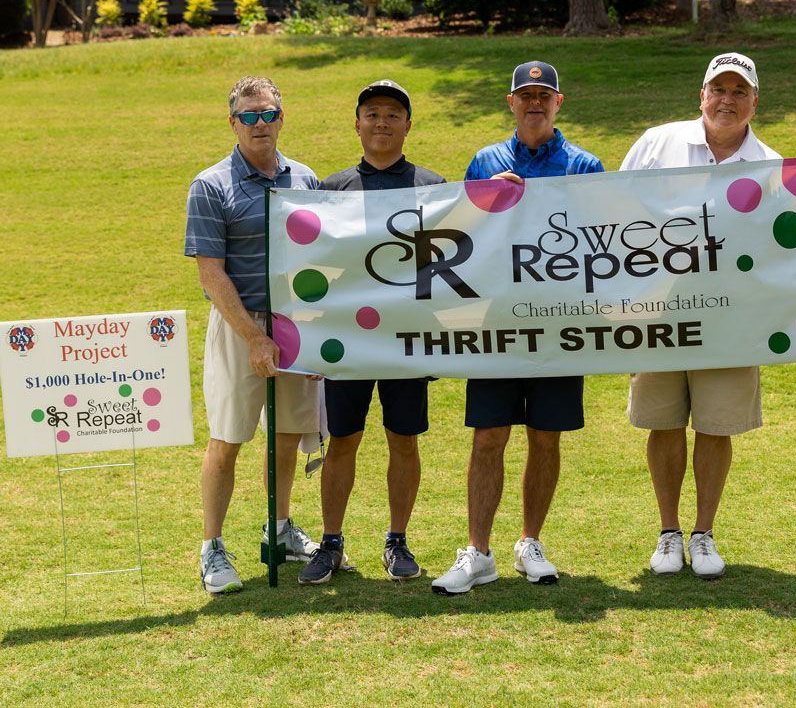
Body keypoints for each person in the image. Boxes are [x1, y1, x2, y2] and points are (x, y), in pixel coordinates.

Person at [619, 52, 796, 579]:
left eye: (739, 92)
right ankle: (668, 533)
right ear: (701, 94)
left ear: (754, 101)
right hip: (658, 313)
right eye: (718, 89)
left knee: (716, 424)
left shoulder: (772, 166)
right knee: (663, 422)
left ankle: (703, 533)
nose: (727, 100)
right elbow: (609, 216)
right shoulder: (658, 143)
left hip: (733, 319)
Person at [432, 61, 604, 595]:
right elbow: (461, 238)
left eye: (543, 95)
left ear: (559, 103)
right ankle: (478, 552)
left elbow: (601, 239)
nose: (534, 103)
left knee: (545, 436)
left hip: (559, 323)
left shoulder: (584, 165)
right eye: (525, 95)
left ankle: (530, 542)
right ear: (510, 103)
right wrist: (485, 199)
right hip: (497, 322)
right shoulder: (485, 161)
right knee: (489, 435)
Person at [298, 80, 446, 585]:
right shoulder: (332, 189)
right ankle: (332, 543)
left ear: (408, 124)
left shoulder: (432, 186)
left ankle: (397, 540)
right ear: (357, 123)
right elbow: (313, 272)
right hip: (347, 343)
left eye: (392, 114)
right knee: (343, 440)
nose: (381, 122)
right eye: (372, 114)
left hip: (406, 341)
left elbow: (444, 269)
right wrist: (314, 342)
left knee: (403, 440)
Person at [186, 76, 322, 594]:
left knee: (287, 432)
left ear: (282, 118)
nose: (260, 124)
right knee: (228, 437)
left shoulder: (305, 179)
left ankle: (280, 529)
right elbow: (210, 274)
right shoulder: (211, 184)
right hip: (238, 324)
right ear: (233, 123)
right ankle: (212, 548)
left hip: (295, 324)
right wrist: (253, 336)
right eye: (249, 116)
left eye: (268, 114)